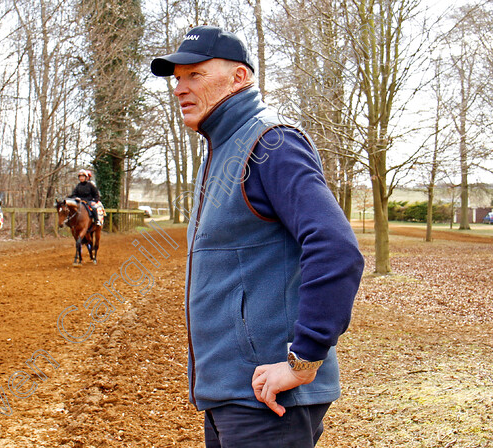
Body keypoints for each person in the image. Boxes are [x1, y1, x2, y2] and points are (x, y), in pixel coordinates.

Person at [151, 26, 364, 447]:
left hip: (268, 401)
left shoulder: (271, 143)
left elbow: (337, 248)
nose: (180, 88)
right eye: (177, 78)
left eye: (195, 74)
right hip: (231, 397)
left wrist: (302, 361)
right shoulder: (221, 150)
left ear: (239, 77)